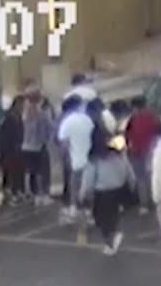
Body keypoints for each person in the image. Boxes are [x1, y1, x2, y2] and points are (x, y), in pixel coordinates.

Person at [83, 131, 136, 255]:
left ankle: (110, 241)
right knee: (113, 216)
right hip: (120, 189)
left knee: (101, 219)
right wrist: (132, 184)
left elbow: (89, 178)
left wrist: (84, 192)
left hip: (103, 192)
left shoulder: (94, 158)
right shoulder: (118, 154)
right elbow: (128, 170)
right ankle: (113, 238)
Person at [56, 95, 95, 223]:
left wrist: (64, 157)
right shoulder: (87, 119)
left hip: (75, 159)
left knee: (75, 185)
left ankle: (74, 208)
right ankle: (89, 211)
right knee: (89, 187)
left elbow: (64, 143)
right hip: (90, 159)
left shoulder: (67, 122)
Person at [125, 96, 161, 214]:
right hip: (152, 149)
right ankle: (157, 200)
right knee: (154, 175)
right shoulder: (153, 117)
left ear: (134, 107)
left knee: (141, 179)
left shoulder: (132, 119)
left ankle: (144, 204)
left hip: (136, 152)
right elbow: (160, 130)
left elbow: (127, 136)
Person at [21, 89, 55, 207]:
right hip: (39, 146)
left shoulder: (25, 113)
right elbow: (49, 127)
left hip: (26, 146)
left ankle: (35, 195)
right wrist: (46, 140)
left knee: (32, 172)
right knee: (43, 171)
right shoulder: (40, 113)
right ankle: (44, 195)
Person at [0, 96, 27, 205]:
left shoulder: (17, 116)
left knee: (16, 172)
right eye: (22, 105)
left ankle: (16, 192)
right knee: (11, 172)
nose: (23, 107)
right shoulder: (9, 118)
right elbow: (3, 136)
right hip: (9, 150)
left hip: (16, 149)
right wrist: (5, 150)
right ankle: (11, 194)